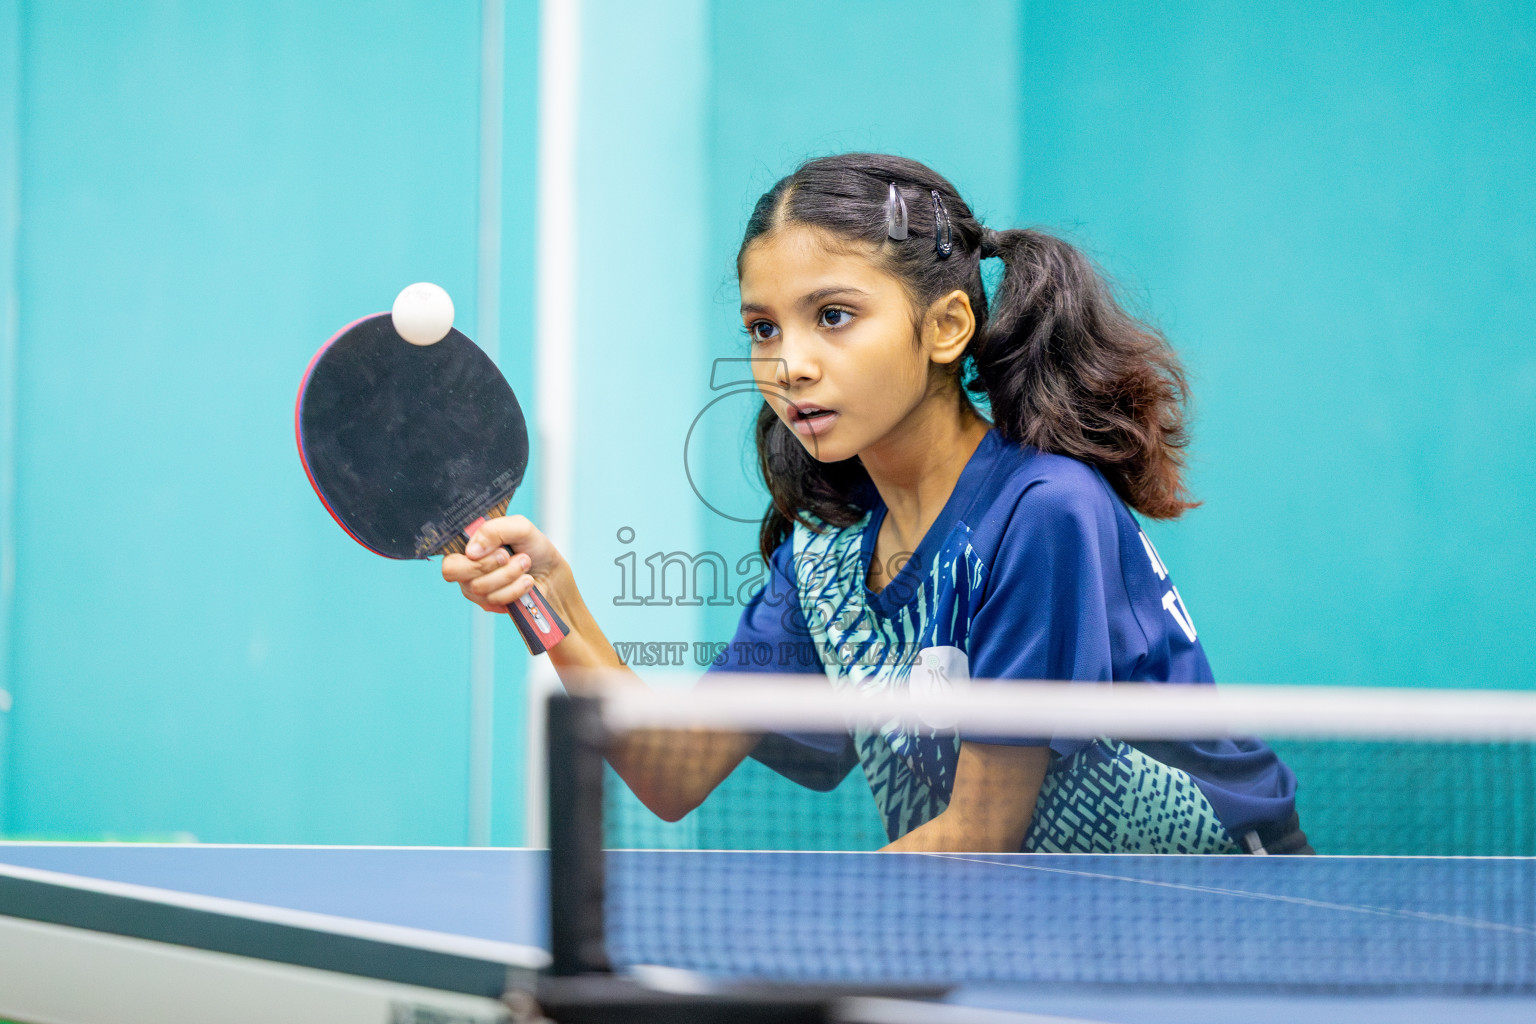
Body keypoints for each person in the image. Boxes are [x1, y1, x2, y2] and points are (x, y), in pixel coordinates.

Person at [443, 152, 1310, 855]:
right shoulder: (828, 555)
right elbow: (674, 772)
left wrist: (768, 938)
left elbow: (981, 836)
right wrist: (549, 601)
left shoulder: (1043, 510)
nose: (791, 364)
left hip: (1221, 898)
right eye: (763, 328)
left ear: (945, 328)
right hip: (1054, 915)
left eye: (834, 315)